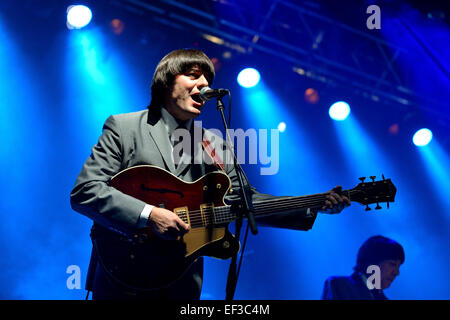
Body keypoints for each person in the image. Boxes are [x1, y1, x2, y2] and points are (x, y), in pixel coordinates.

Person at [70, 48, 350, 300]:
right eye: (194, 76)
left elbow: (246, 202)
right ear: (166, 82)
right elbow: (87, 191)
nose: (204, 85)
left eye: (208, 81)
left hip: (180, 282)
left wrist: (312, 204)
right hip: (122, 274)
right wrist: (149, 214)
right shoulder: (125, 127)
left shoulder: (215, 145)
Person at [321, 235, 405, 300]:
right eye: (392, 264)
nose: (396, 273)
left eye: (398, 267)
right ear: (372, 261)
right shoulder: (339, 285)